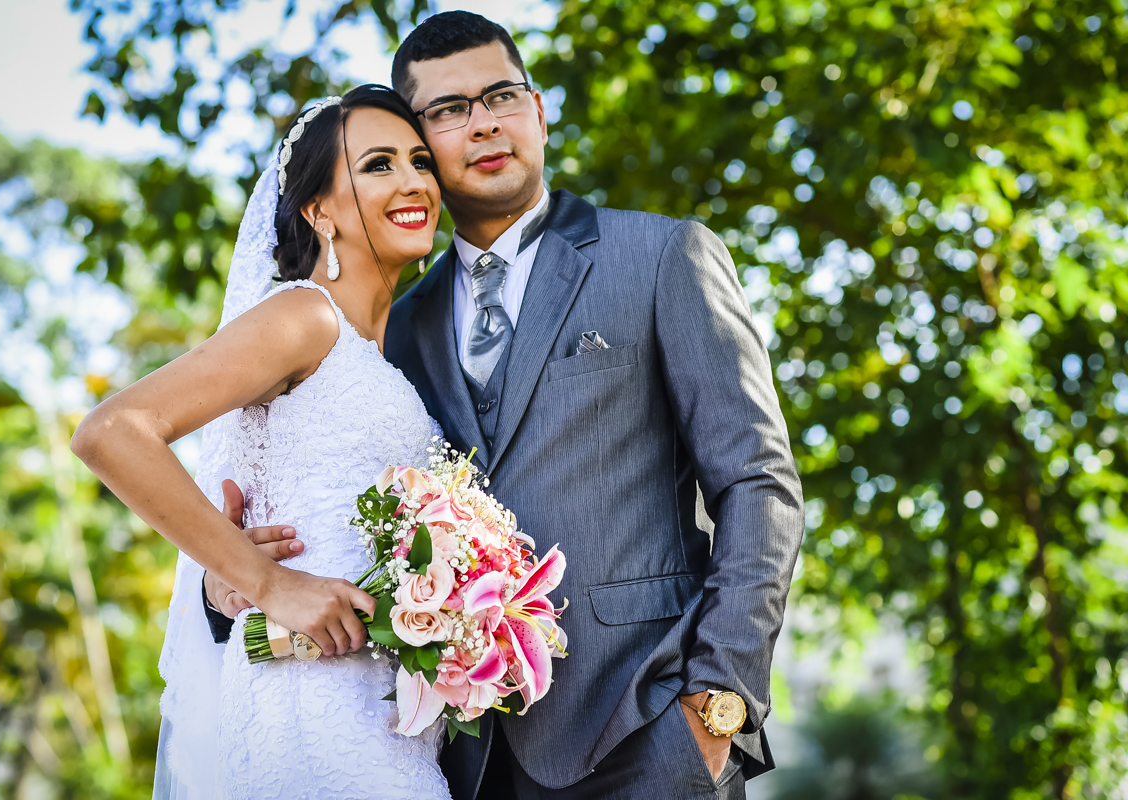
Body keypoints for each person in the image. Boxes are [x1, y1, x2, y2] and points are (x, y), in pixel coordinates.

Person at [207, 10, 805, 800]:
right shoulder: (395, 328)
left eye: (501, 96)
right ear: (422, 150)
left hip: (648, 735)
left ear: (539, 110)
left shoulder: (662, 255)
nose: (483, 124)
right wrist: (232, 585)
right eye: (448, 112)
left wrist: (716, 710)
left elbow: (758, 483)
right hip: (458, 760)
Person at [71, 85, 453, 799]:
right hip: (313, 714)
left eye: (420, 161)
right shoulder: (305, 316)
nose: (413, 182)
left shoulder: (382, 354)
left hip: (388, 725)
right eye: (378, 165)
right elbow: (113, 432)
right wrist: (267, 581)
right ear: (319, 210)